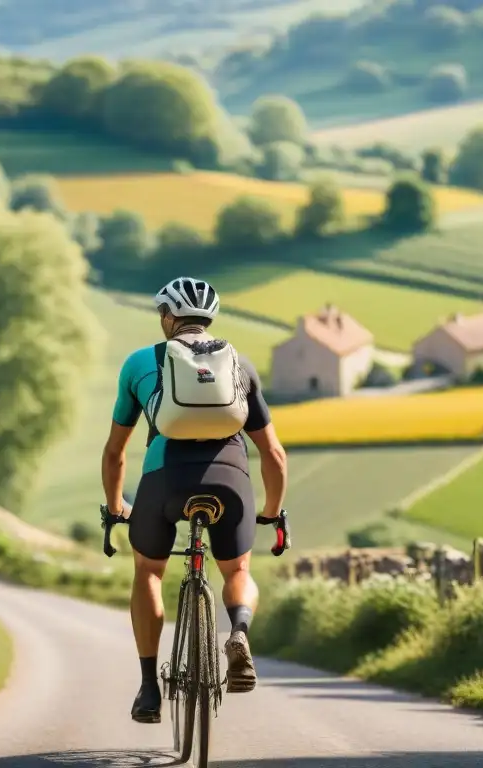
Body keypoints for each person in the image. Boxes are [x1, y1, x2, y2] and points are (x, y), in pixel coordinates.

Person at [101, 276, 289, 724]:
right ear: (209, 318)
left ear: (168, 317)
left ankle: (149, 690)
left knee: (148, 571)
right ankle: (238, 631)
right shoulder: (239, 365)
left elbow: (114, 453)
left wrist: (114, 506)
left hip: (164, 479)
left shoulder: (139, 364)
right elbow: (274, 455)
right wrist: (271, 512)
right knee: (238, 569)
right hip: (230, 480)